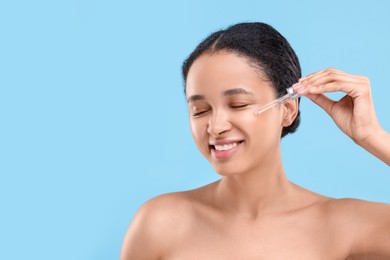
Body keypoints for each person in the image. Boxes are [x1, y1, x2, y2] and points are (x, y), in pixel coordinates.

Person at [121, 22, 390, 259]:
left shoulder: (347, 226)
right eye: (200, 110)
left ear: (287, 109)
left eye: (237, 104)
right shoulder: (159, 223)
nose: (215, 126)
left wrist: (372, 136)